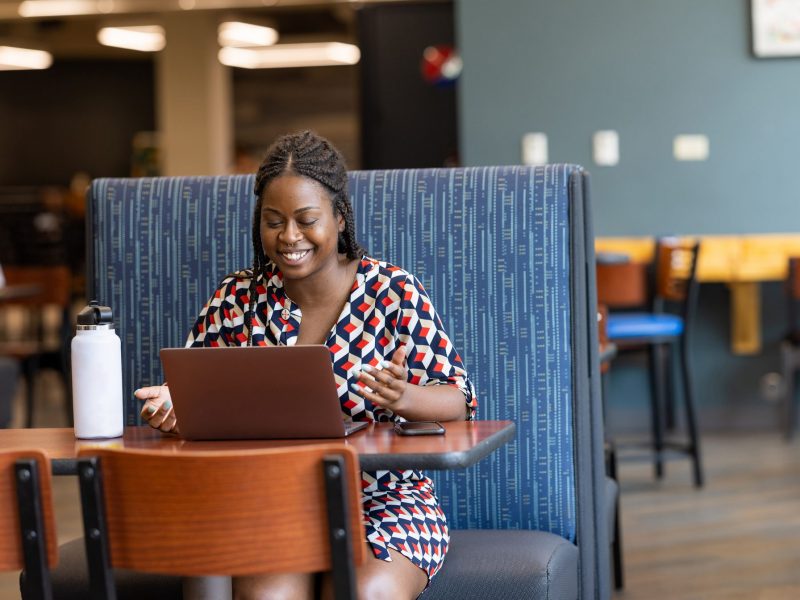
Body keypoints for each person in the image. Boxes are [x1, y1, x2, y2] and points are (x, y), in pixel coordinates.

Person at [135, 130, 476, 600]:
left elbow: (458, 401)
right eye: (273, 221)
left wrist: (405, 396)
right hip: (265, 500)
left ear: (339, 216)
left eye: (306, 219)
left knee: (365, 592)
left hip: (381, 501)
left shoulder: (393, 292)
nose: (289, 236)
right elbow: (196, 405)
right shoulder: (236, 300)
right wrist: (173, 410)